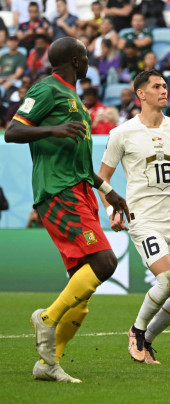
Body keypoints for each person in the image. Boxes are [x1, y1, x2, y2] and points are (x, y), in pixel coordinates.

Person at [4, 36, 129, 383]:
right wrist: (53, 128)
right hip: (58, 192)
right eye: (86, 56)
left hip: (79, 191)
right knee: (105, 262)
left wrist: (108, 192)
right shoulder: (47, 90)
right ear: (76, 60)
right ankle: (45, 319)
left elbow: (83, 165)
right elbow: (12, 131)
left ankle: (48, 364)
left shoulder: (76, 100)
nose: (89, 62)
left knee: (82, 294)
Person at [97, 70, 170, 365]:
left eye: (165, 86)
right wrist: (111, 210)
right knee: (167, 279)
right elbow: (103, 178)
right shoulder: (122, 134)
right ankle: (136, 331)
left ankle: (148, 339)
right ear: (140, 94)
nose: (164, 90)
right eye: (157, 86)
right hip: (143, 218)